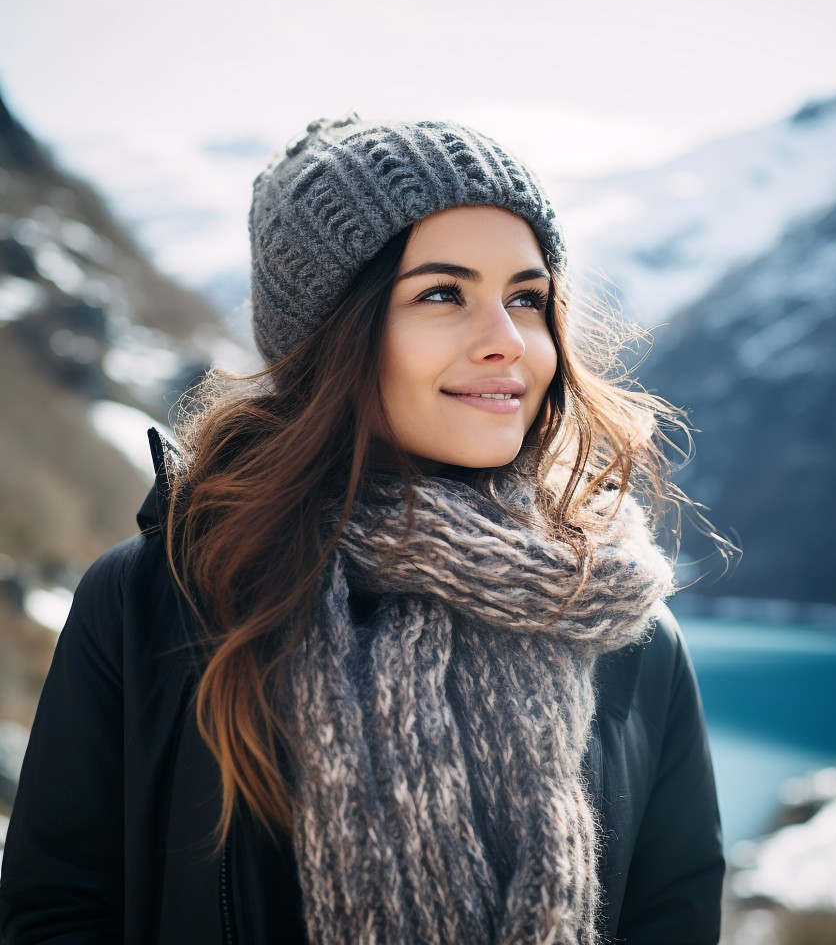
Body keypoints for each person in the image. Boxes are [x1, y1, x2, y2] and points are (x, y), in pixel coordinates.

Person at [0, 115, 725, 944]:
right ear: (329, 338)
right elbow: (55, 914)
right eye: (443, 294)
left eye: (527, 298)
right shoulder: (158, 599)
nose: (508, 342)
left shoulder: (623, 630)